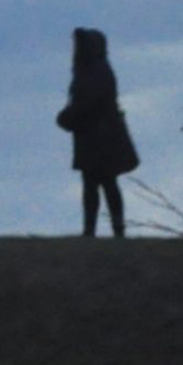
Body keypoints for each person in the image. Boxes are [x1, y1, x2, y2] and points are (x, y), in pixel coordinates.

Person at [57, 27, 139, 237]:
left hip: (99, 134)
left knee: (102, 182)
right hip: (94, 133)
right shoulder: (93, 70)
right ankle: (101, 229)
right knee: (97, 183)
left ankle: (107, 229)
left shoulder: (95, 71)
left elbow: (89, 103)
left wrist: (69, 117)